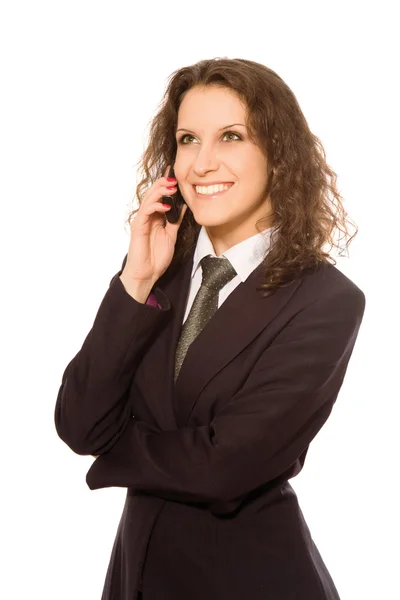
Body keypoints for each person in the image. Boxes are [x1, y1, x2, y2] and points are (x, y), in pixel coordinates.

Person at [54, 57, 366, 600]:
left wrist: (116, 455)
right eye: (188, 138)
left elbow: (226, 466)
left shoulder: (325, 300)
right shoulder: (159, 274)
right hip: (136, 576)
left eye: (232, 136)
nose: (203, 162)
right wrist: (135, 281)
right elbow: (80, 423)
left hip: (252, 579)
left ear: (279, 155)